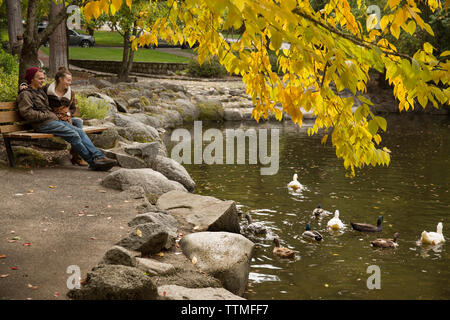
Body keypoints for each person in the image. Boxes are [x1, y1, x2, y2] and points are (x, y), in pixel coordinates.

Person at [17, 67, 117, 171]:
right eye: (39, 79)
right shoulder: (26, 94)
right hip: (42, 124)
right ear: (31, 79)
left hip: (53, 121)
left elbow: (55, 90)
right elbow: (27, 113)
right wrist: (47, 115)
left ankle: (99, 157)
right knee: (73, 135)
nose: (42, 80)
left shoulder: (40, 91)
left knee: (79, 131)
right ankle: (93, 163)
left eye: (43, 78)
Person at [44, 67, 87, 165]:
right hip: (52, 119)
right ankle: (78, 156)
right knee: (77, 128)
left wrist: (67, 114)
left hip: (65, 118)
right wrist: (23, 85)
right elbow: (37, 95)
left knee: (78, 121)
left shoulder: (70, 93)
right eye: (68, 80)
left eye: (71, 80)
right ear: (60, 79)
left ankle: (76, 154)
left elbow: (73, 109)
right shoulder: (47, 89)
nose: (70, 83)